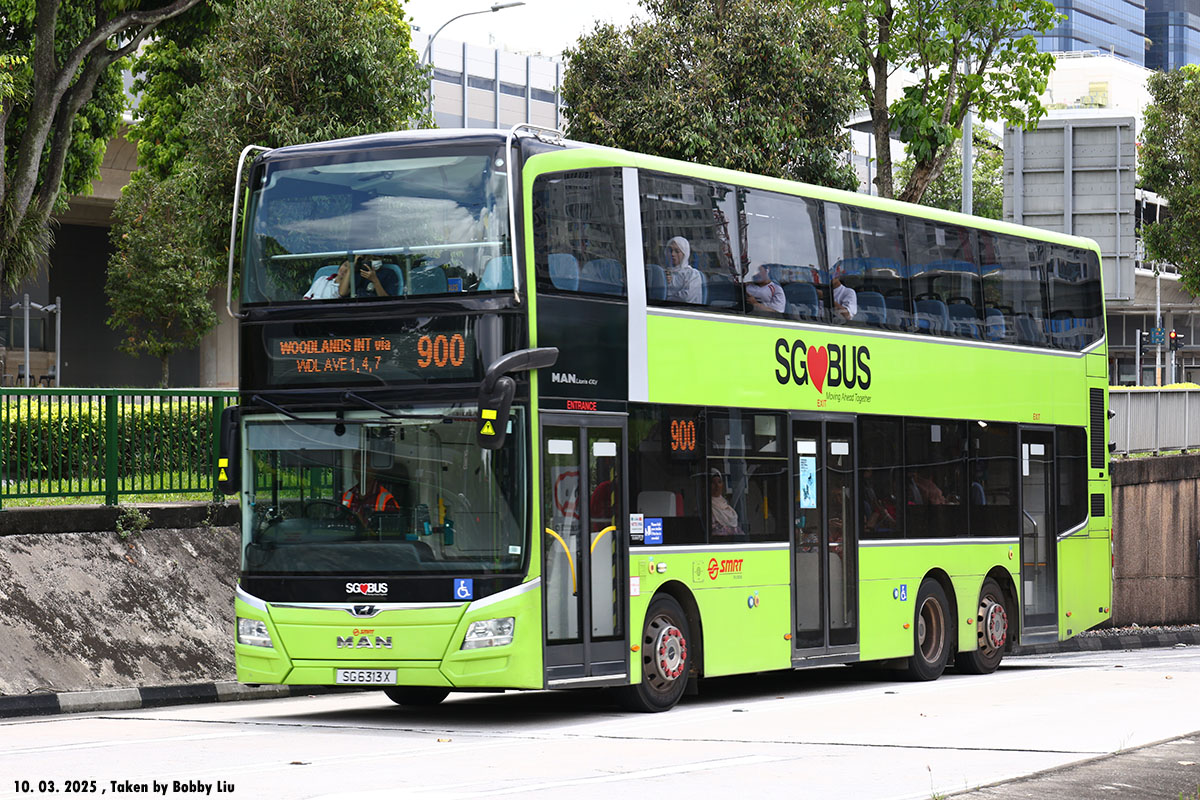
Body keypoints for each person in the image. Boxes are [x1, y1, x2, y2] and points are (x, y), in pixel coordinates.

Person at [664, 236, 703, 303]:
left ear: (685, 253)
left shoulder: (692, 274)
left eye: (677, 251)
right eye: (670, 250)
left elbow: (686, 297)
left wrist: (666, 297)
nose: (672, 254)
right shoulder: (664, 273)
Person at [710, 469, 741, 538]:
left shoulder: (725, 504)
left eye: (719, 482)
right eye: (713, 483)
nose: (717, 486)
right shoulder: (705, 506)